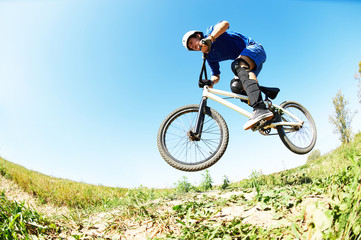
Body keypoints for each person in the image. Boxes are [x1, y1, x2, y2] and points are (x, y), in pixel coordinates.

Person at [182, 20, 274, 130]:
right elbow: (216, 75)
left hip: (254, 49)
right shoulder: (210, 57)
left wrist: (210, 38)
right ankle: (267, 111)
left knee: (237, 65)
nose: (194, 47)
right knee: (236, 87)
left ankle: (260, 108)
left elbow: (225, 24)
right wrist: (211, 82)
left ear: (198, 36)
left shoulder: (211, 32)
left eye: (192, 43)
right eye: (192, 48)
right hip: (247, 63)